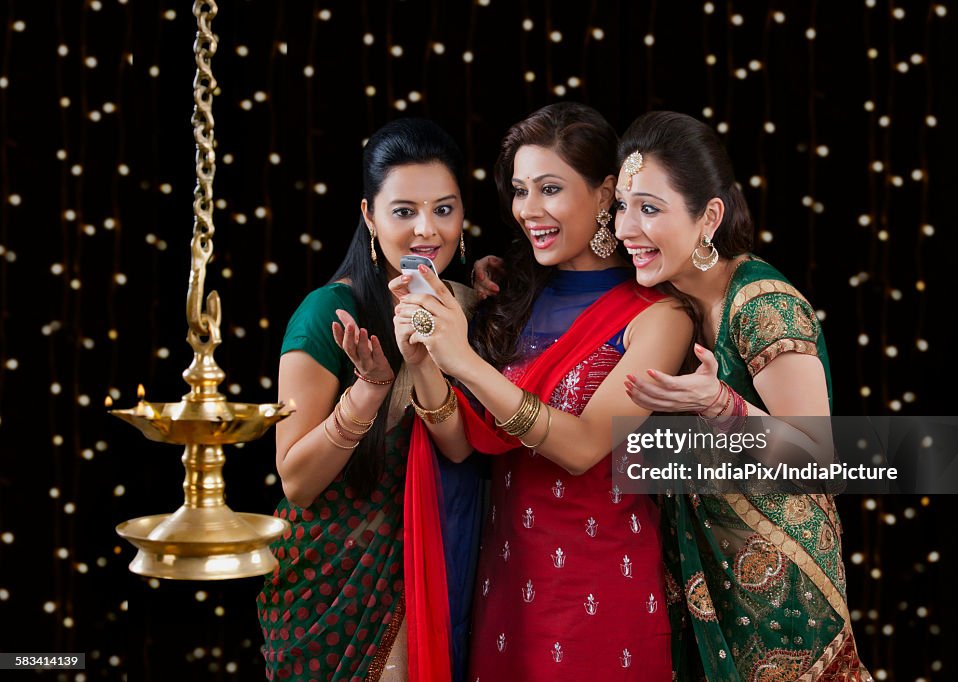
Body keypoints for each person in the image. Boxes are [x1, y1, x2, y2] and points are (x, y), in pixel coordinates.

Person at [392, 102, 691, 680]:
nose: (529, 211)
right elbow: (462, 447)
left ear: (606, 194)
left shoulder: (660, 315)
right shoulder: (513, 298)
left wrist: (466, 361)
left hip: (606, 588)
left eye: (549, 189)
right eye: (521, 190)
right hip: (507, 586)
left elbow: (581, 449)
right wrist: (424, 362)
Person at [614, 111, 871, 680]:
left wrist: (721, 407)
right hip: (705, 578)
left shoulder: (762, 304)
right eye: (623, 205)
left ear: (708, 217)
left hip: (781, 591)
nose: (627, 228)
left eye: (649, 208)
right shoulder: (672, 294)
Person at [257, 118, 482, 682]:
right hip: (331, 577)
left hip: (431, 560)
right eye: (403, 211)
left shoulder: (469, 309)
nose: (427, 230)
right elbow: (297, 482)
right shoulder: (328, 314)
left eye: (444, 209)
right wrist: (369, 389)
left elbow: (458, 448)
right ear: (369, 216)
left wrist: (428, 356)